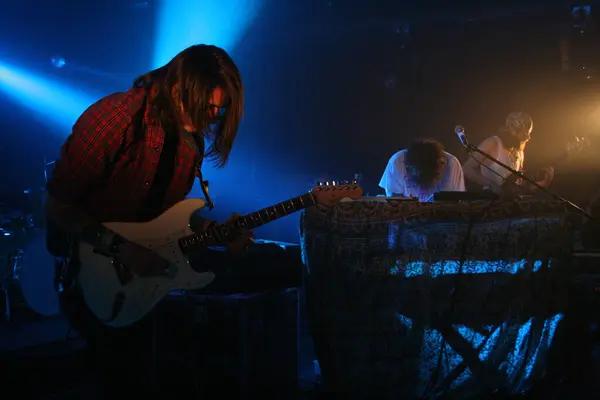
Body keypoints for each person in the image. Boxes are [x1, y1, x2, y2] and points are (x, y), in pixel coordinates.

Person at [45, 44, 299, 397]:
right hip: (95, 276)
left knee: (288, 264)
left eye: (218, 109)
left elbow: (169, 221)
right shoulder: (117, 117)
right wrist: (121, 248)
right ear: (178, 90)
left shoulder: (189, 141)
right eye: (207, 106)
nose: (213, 116)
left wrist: (215, 232)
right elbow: (57, 206)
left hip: (152, 276)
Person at [462, 112, 554, 194]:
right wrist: (489, 183)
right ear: (513, 131)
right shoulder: (493, 143)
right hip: (490, 202)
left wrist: (543, 183)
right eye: (525, 134)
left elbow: (520, 186)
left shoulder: (519, 151)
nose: (528, 138)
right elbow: (467, 169)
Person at [378, 138, 465, 201]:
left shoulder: (452, 164)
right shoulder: (397, 162)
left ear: (442, 165)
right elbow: (394, 202)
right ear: (408, 166)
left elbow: (458, 200)